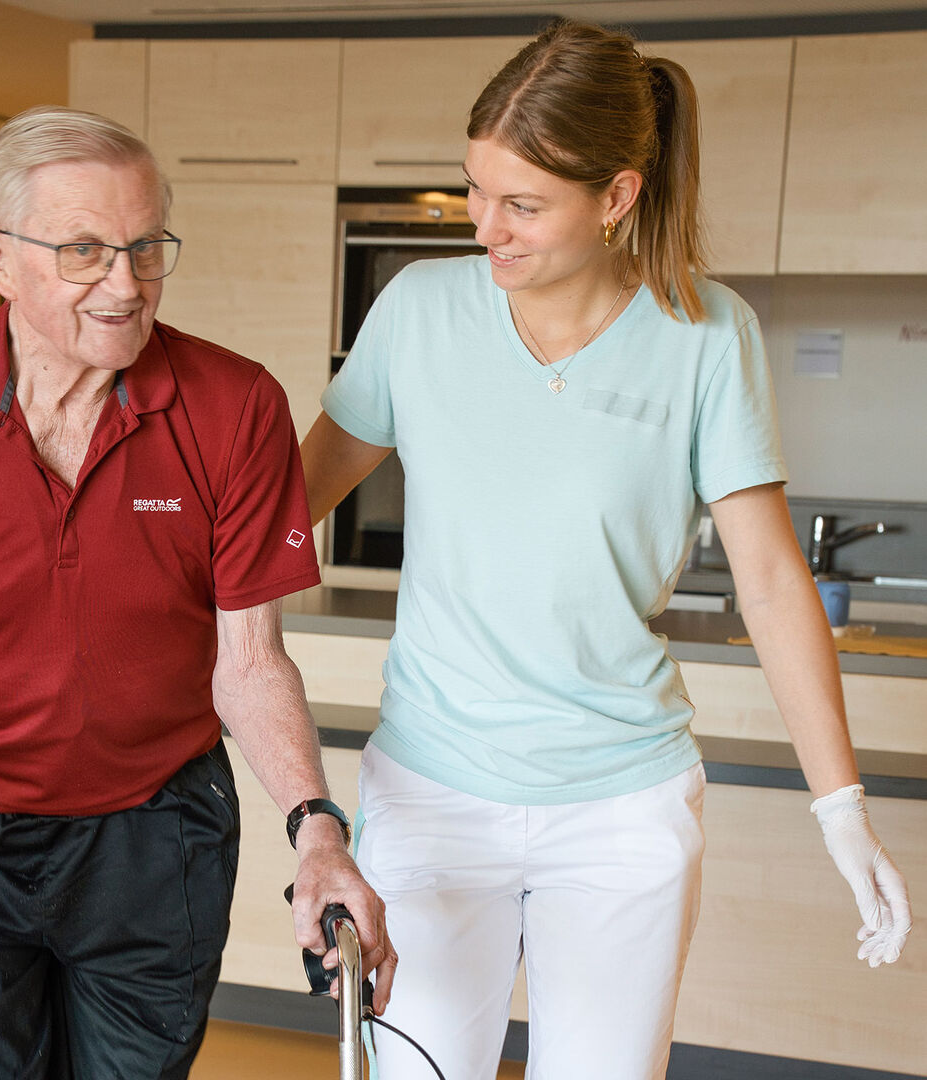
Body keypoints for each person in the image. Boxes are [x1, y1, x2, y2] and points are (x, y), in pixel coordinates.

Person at [300, 20, 911, 1080]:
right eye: (474, 191)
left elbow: (768, 584)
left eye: (521, 205)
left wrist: (839, 805)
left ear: (616, 197)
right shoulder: (419, 310)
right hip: (431, 792)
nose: (484, 228)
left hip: (621, 805)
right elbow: (281, 505)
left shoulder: (702, 334)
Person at [0, 105, 395, 1080]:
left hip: (152, 835)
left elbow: (249, 660)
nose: (126, 284)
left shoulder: (234, 406)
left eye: (147, 246)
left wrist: (316, 832)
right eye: (84, 251)